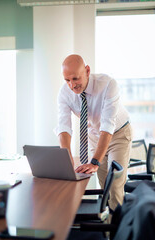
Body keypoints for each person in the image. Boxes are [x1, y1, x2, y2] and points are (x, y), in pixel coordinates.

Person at [54, 54, 132, 210]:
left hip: (118, 134)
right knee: (105, 185)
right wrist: (66, 157)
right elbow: (63, 127)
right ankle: (107, 225)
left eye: (75, 79)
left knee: (114, 184)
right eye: (67, 80)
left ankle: (119, 230)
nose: (71, 85)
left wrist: (95, 160)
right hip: (95, 136)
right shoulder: (64, 93)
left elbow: (108, 125)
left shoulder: (108, 85)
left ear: (87, 70)